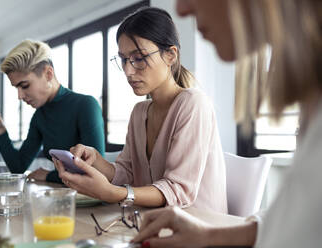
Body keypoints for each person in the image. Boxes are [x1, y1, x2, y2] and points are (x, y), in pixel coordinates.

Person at [132, 0, 322, 247]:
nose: (181, 9)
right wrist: (208, 237)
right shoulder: (312, 103)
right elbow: (299, 226)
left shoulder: (193, 102)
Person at [54, 7, 227, 211]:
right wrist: (95, 160)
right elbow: (127, 173)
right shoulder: (139, 112)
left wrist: (112, 194)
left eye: (139, 58)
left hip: (200, 228)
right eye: (124, 59)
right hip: (156, 223)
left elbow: (179, 190)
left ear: (171, 55)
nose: (128, 70)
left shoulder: (193, 104)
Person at [0, 40, 105, 183]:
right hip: (60, 197)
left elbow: (97, 173)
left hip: (89, 201)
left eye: (24, 85)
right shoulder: (40, 116)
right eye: (16, 88)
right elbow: (18, 167)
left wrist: (49, 176)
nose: (19, 96)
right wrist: (0, 130)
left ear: (48, 74)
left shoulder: (86, 105)